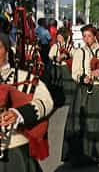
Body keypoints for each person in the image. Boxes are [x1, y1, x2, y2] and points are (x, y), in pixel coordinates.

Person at [61, 24, 99, 167]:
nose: (86, 39)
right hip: (83, 91)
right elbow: (75, 71)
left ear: (95, 36)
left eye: (89, 36)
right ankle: (83, 153)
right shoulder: (79, 52)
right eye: (84, 36)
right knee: (83, 122)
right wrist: (83, 78)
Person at [0, 33, 54, 171]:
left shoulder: (25, 78)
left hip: (16, 150)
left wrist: (18, 114)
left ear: (7, 51)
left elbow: (46, 101)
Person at [48, 27, 76, 107]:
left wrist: (66, 56)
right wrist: (56, 58)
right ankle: (56, 99)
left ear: (64, 37)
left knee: (66, 84)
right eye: (58, 37)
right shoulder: (55, 46)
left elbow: (73, 54)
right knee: (55, 83)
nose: (58, 38)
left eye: (60, 37)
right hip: (55, 67)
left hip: (64, 67)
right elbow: (50, 55)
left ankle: (67, 100)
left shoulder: (69, 46)